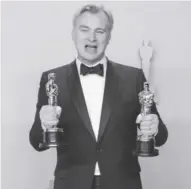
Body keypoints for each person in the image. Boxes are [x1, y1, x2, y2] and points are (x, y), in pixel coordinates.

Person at [29, 4, 168, 189]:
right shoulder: (53, 80)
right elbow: (36, 141)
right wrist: (43, 122)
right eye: (84, 29)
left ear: (109, 36)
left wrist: (154, 128)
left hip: (124, 183)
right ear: (73, 33)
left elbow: (161, 137)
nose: (92, 38)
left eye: (100, 31)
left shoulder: (133, 78)